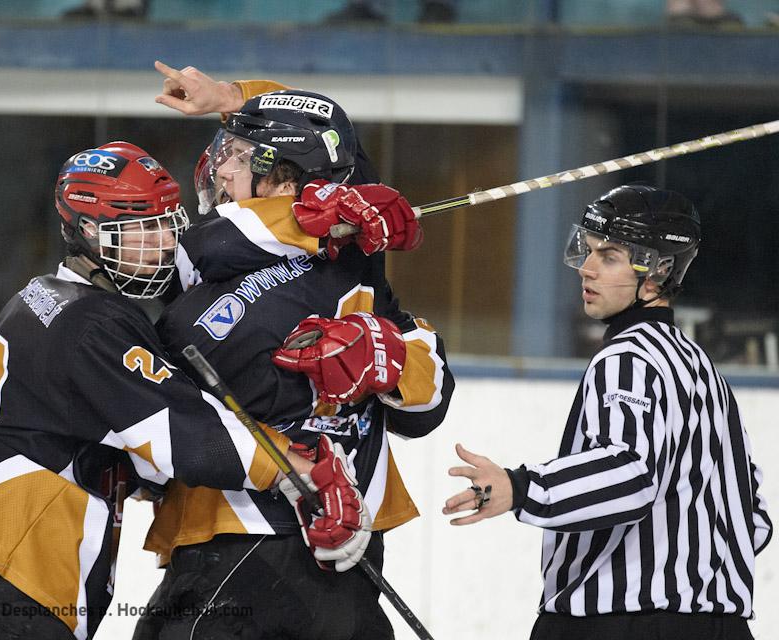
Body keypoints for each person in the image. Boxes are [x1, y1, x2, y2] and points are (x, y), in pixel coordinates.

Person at [0, 142, 312, 640]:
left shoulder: (48, 298)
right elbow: (175, 429)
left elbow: (107, 441)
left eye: (168, 222)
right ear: (91, 233)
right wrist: (290, 467)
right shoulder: (91, 322)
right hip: (11, 561)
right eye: (143, 229)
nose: (164, 242)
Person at [133, 76, 453, 639]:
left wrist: (394, 359)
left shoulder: (352, 263)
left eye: (236, 154)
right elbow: (205, 256)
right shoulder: (208, 276)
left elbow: (424, 410)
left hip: (331, 555)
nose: (220, 170)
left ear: (284, 174)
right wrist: (246, 108)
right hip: (236, 537)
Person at [442, 185, 772, 639]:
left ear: (656, 273)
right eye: (589, 251)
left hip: (619, 623)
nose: (587, 269)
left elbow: (631, 474)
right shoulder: (702, 368)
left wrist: (520, 487)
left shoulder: (628, 358)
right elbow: (752, 516)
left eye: (610, 257)